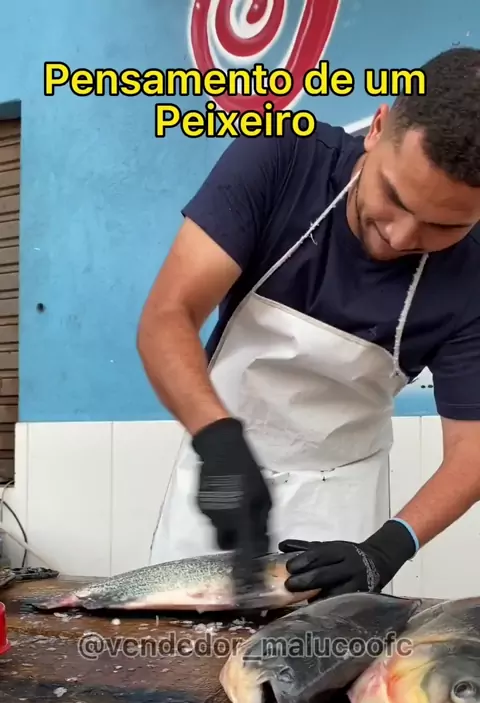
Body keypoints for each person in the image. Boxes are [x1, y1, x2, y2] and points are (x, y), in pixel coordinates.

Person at [137, 46, 480, 599]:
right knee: (177, 643)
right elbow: (167, 316)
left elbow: (473, 450)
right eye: (393, 197)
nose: (400, 237)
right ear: (377, 128)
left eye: (443, 227)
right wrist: (217, 441)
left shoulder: (473, 276)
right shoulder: (280, 157)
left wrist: (386, 549)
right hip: (222, 467)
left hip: (341, 502)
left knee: (320, 651)